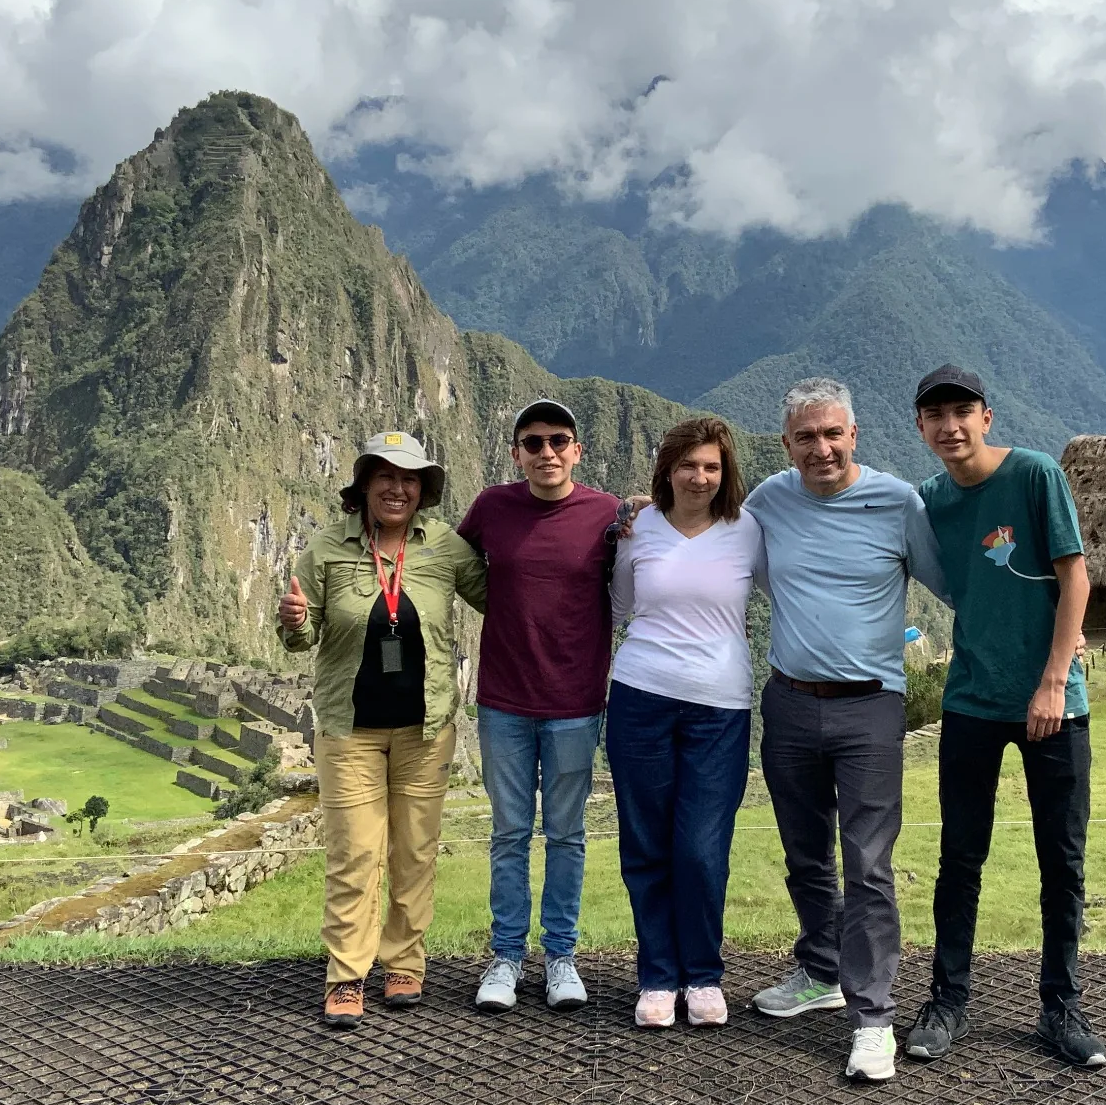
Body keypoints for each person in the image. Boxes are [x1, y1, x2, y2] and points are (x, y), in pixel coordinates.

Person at [745, 377, 946, 1083]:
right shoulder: (768, 500)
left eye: (833, 434)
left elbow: (954, 584)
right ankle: (820, 970)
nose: (821, 448)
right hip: (790, 702)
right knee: (806, 854)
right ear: (787, 444)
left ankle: (872, 1019)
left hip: (870, 705)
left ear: (853, 435)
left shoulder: (897, 503)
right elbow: (713, 548)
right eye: (807, 436)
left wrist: (1056, 627)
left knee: (868, 864)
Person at [905, 364, 1106, 1068]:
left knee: (1062, 859)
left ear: (987, 417)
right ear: (921, 428)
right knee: (959, 857)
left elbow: (1075, 573)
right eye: (936, 416)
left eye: (963, 411)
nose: (951, 426)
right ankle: (948, 1000)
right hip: (972, 700)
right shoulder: (928, 499)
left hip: (1054, 702)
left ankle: (1062, 1007)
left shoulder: (1034, 475)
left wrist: (1054, 681)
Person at [278, 431, 487, 1029]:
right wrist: (291, 620)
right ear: (364, 485)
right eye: (385, 476)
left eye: (410, 478)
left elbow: (501, 598)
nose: (398, 488)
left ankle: (405, 965)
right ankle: (346, 974)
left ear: (423, 490)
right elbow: (302, 636)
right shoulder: (325, 550)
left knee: (415, 852)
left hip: (425, 731)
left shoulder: (443, 546)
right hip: (350, 730)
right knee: (354, 853)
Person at [457, 399, 620, 1015]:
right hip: (503, 701)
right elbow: (448, 562)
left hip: (576, 702)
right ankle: (504, 957)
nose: (546, 452)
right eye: (533, 442)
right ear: (516, 453)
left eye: (558, 440)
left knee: (567, 833)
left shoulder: (606, 514)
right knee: (509, 832)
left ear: (577, 449)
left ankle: (560, 957)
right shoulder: (492, 509)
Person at [607, 415, 765, 1029]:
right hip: (640, 695)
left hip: (720, 707)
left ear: (726, 474)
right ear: (666, 470)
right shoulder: (636, 527)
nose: (699, 477)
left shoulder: (748, 530)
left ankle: (702, 971)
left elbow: (792, 589)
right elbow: (620, 607)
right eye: (688, 465)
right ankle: (657, 974)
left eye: (711, 467)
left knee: (701, 847)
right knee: (645, 840)